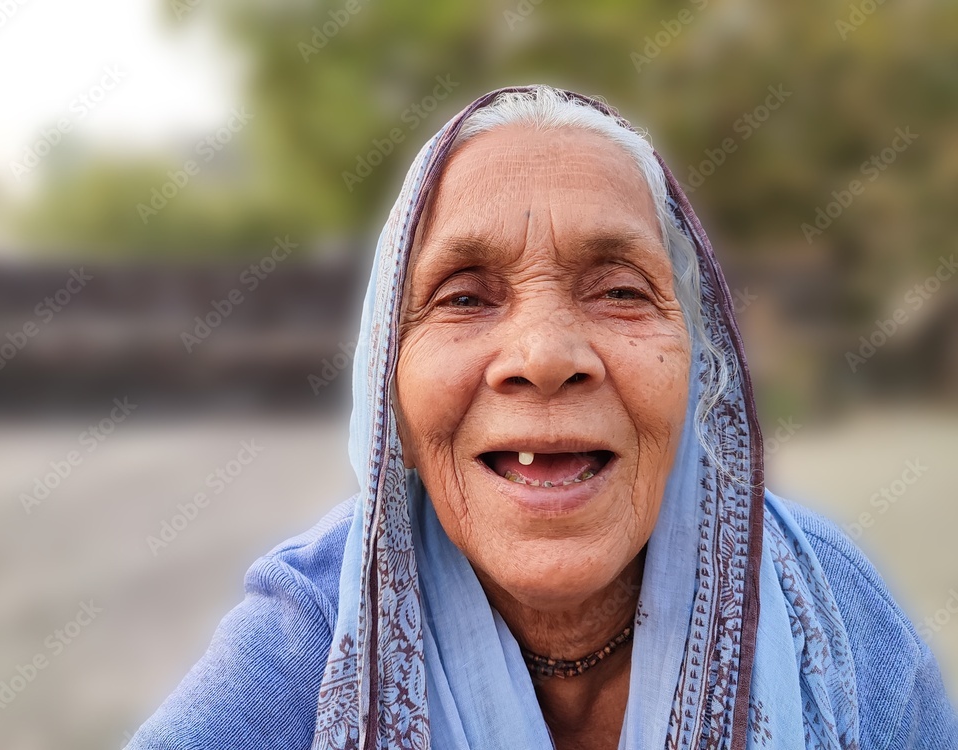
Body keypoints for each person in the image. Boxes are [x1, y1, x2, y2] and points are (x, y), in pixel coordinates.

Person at [127, 85, 958, 749]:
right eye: (463, 297)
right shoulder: (307, 642)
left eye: (621, 291)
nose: (546, 355)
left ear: (699, 374)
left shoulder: (830, 614)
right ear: (392, 407)